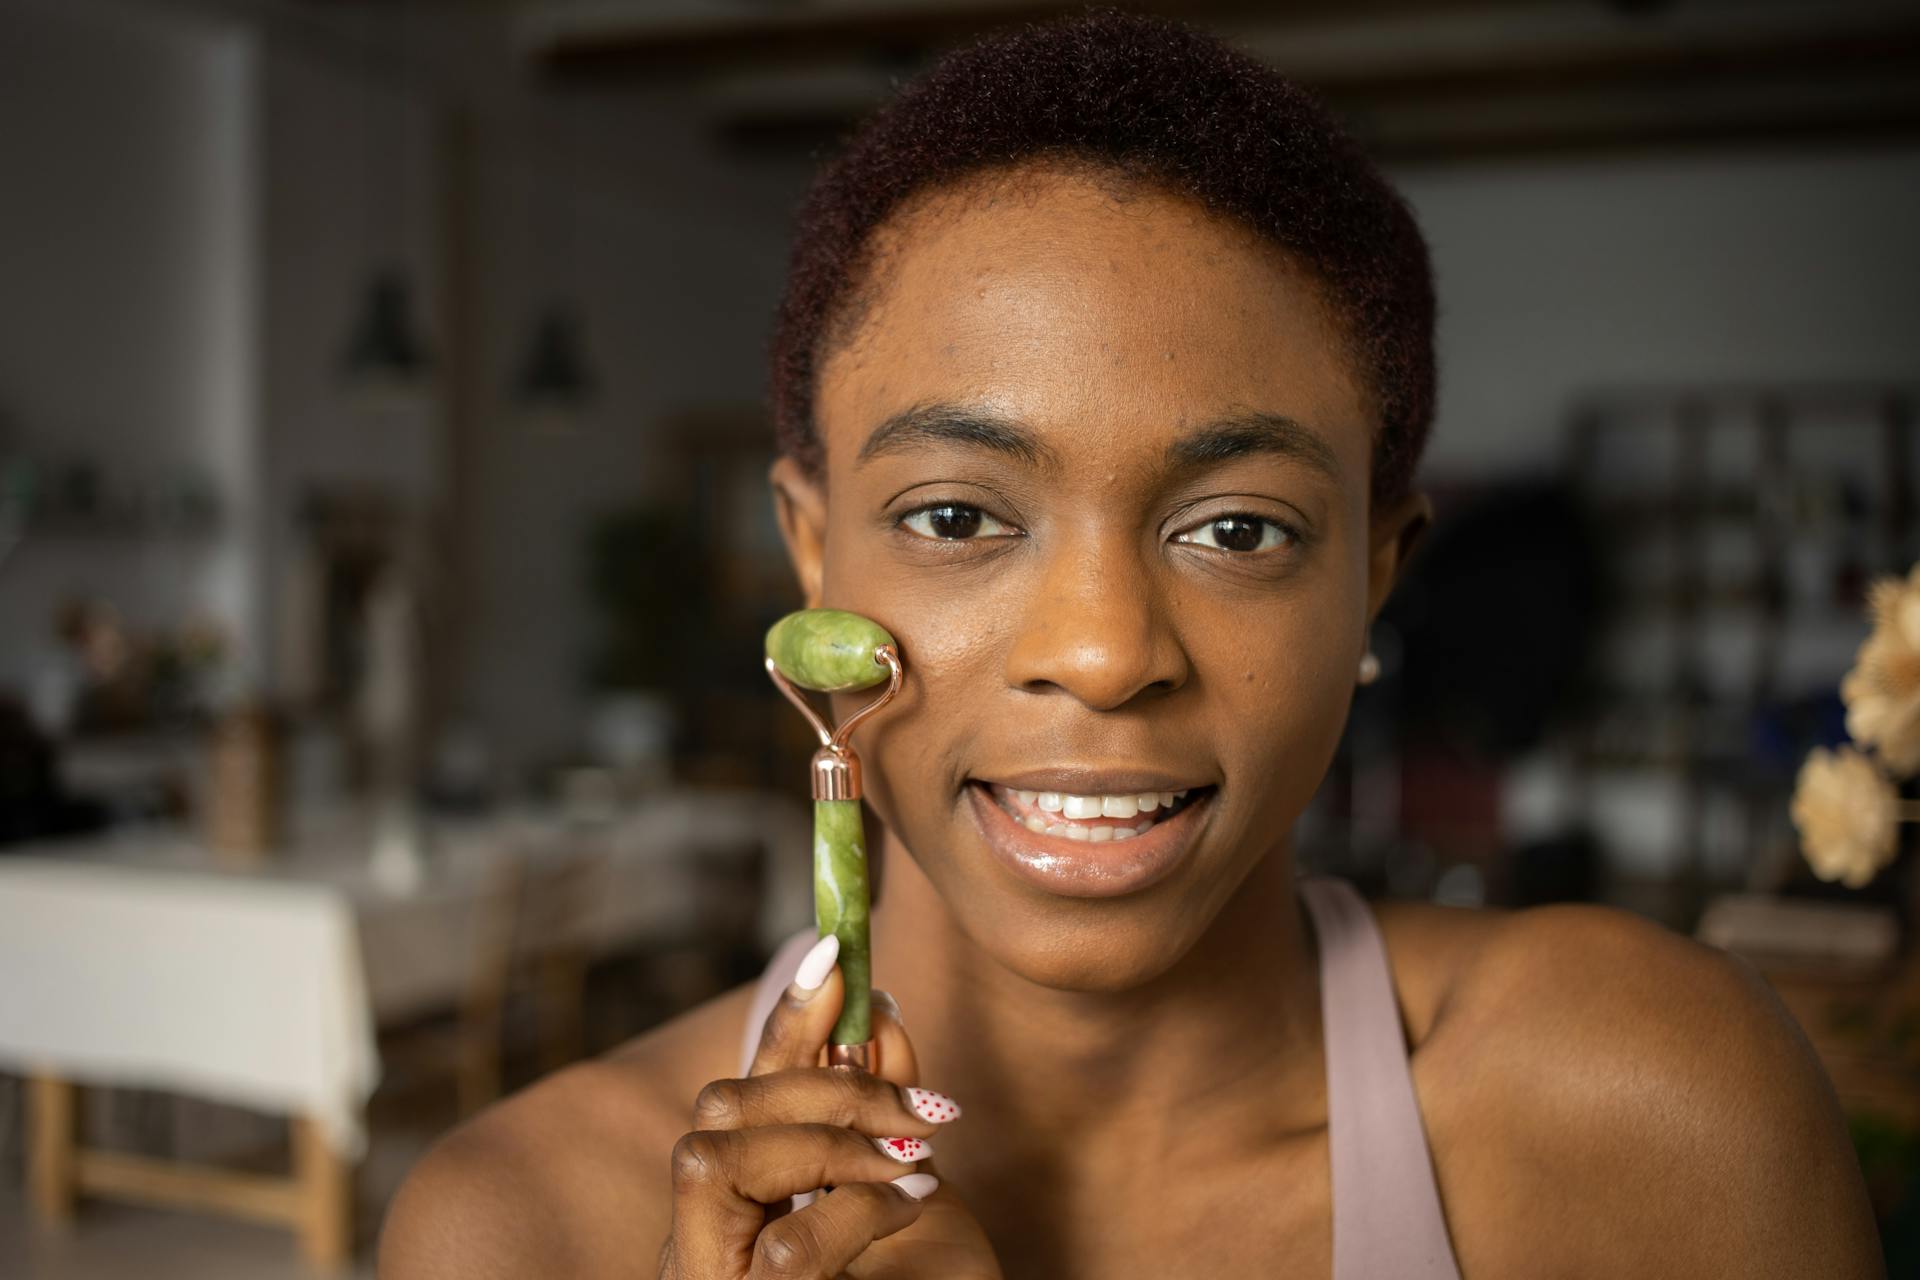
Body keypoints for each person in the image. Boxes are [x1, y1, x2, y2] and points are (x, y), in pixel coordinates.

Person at [379, 10, 1882, 1277]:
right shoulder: (527, 1232)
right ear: (815, 561)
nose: (1102, 655)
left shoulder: (1650, 1122)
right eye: (959, 517)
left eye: (1238, 530)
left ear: (1378, 576)